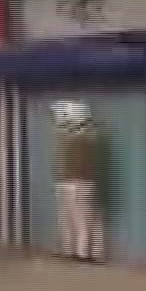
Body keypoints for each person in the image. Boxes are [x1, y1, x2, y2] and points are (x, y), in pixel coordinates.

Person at [53, 102, 106, 262]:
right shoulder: (81, 139)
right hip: (74, 183)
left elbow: (78, 165)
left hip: (76, 183)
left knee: (78, 219)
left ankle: (81, 253)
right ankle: (78, 252)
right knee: (78, 219)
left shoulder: (80, 140)